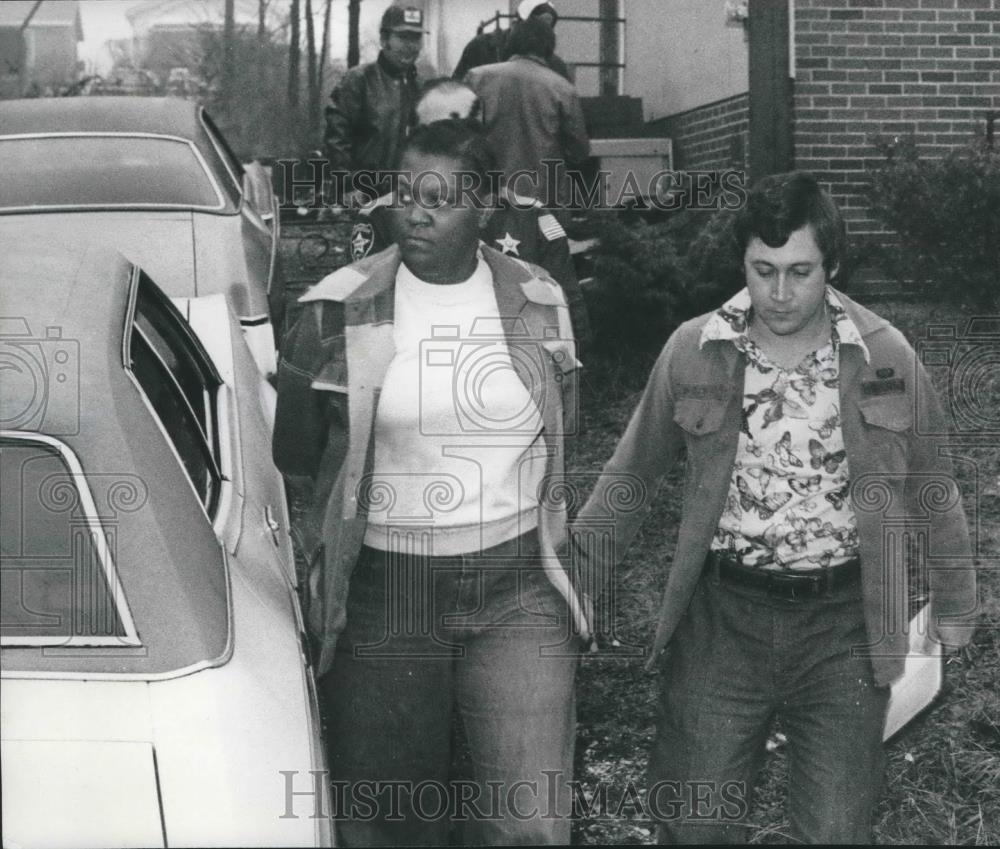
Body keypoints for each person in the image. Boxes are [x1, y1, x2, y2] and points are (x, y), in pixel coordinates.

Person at [568, 172, 978, 843]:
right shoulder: (695, 350)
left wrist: (957, 604)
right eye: (764, 270)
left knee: (836, 827)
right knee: (694, 822)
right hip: (723, 620)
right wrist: (571, 584)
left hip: (845, 625)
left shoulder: (888, 355)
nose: (781, 293)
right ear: (743, 264)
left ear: (833, 266)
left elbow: (932, 484)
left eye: (800, 272)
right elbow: (630, 475)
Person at [273, 119, 588, 845]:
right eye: (407, 192)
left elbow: (562, 422)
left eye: (441, 199)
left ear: (485, 207)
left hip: (515, 584)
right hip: (390, 588)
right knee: (395, 819)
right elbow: (295, 454)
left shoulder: (539, 300)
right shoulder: (334, 307)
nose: (415, 212)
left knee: (527, 821)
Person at [348, 78, 592, 350]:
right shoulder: (382, 217)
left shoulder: (531, 218)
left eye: (466, 133)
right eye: (436, 134)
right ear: (411, 135)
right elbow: (365, 323)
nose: (451, 146)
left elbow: (567, 320)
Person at [465, 17, 590, 217]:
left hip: (487, 197)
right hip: (543, 200)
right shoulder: (563, 89)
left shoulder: (477, 78)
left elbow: (461, 137)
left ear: (511, 43)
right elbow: (579, 150)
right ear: (549, 48)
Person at [323, 5, 424, 197]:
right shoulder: (359, 80)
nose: (410, 46)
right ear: (384, 39)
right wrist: (349, 186)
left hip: (407, 198)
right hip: (363, 195)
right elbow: (337, 138)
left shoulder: (421, 87)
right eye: (403, 37)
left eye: (416, 38)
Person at [453, 0, 570, 81]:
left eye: (546, 30)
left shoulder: (555, 65)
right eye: (535, 28)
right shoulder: (480, 46)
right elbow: (458, 89)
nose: (540, 35)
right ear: (515, 24)